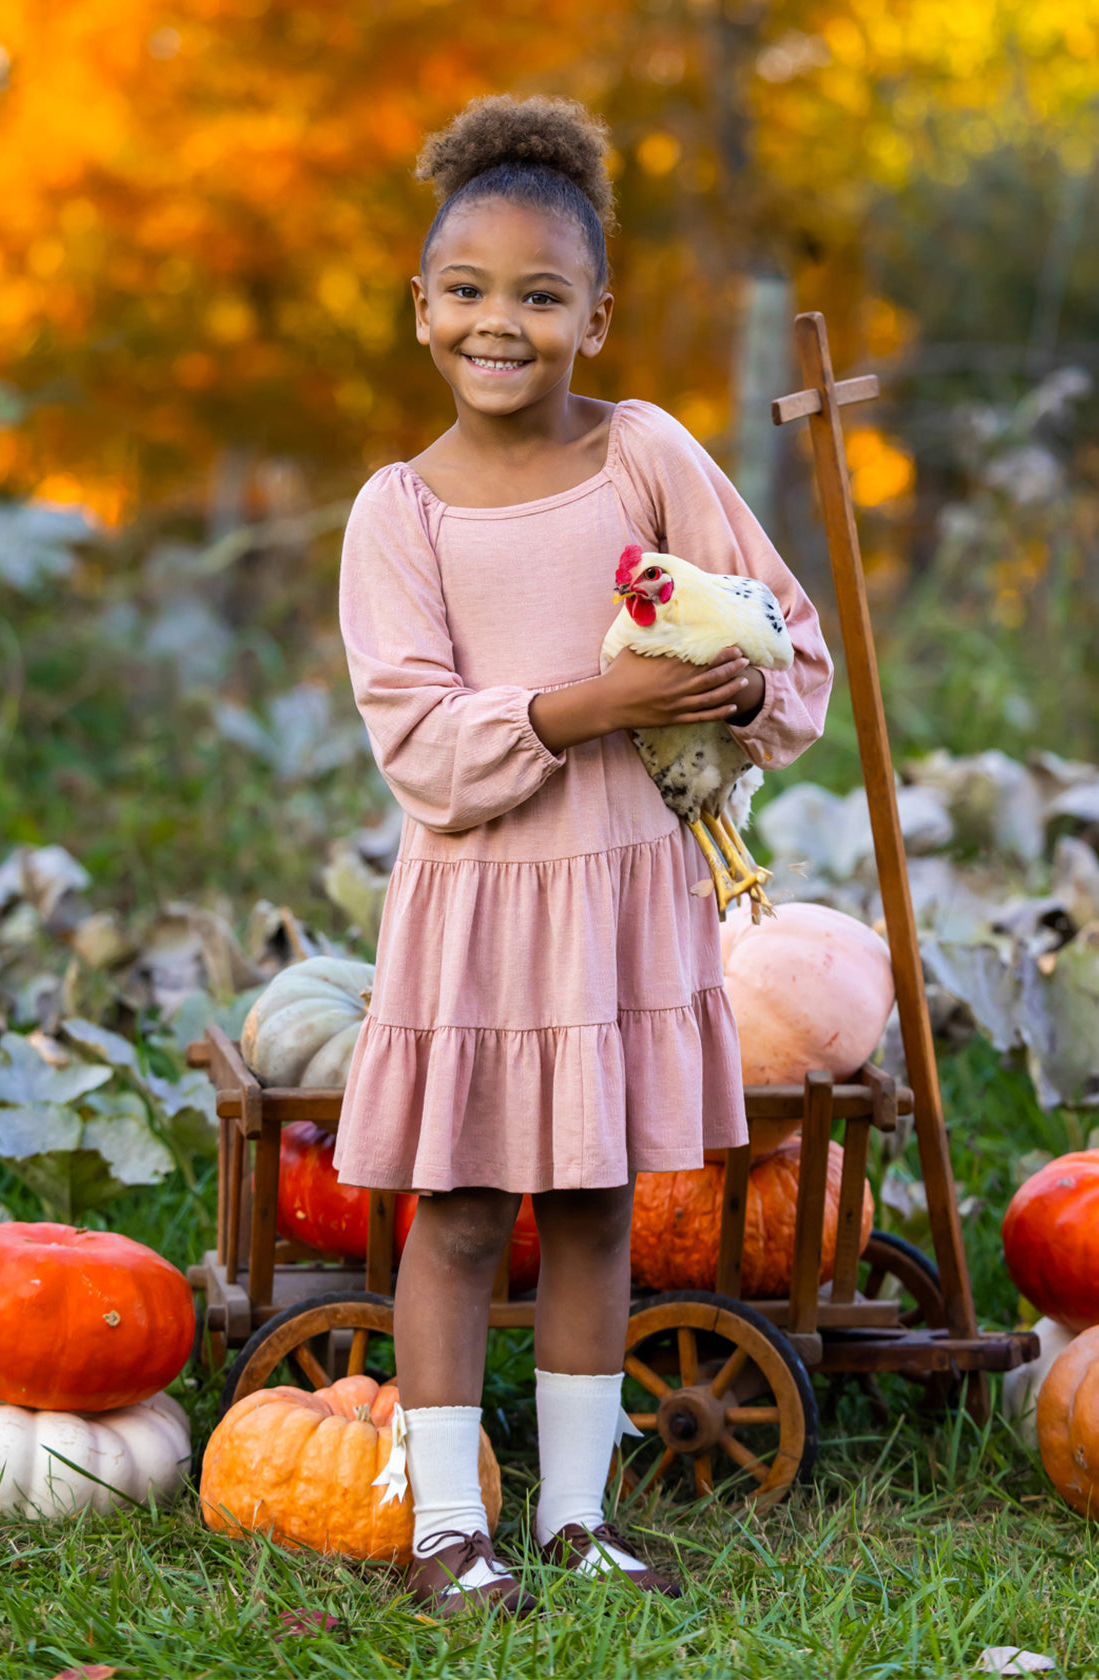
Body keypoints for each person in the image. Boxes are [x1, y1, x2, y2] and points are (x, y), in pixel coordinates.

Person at [334, 93, 832, 1615]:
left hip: (624, 886)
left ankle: (571, 1516)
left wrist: (734, 684)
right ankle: (442, 1532)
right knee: (467, 1207)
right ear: (420, 309)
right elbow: (422, 744)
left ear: (593, 318)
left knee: (599, 1201)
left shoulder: (647, 456)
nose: (501, 323)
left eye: (538, 296)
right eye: (469, 292)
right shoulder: (396, 511)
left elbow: (779, 629)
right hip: (480, 910)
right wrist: (594, 701)